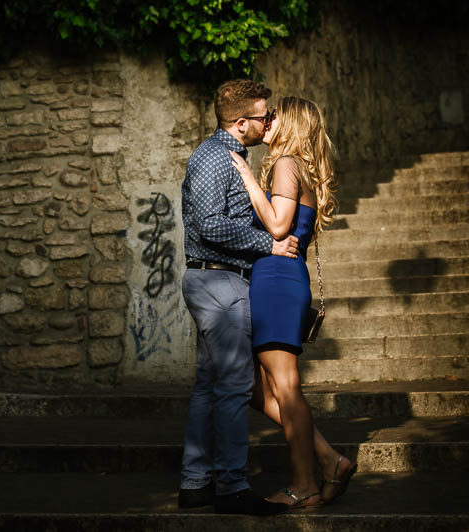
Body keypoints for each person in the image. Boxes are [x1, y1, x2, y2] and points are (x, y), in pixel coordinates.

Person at [229, 96, 357, 509]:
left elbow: (280, 225)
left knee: (285, 387)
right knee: (253, 386)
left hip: (278, 282)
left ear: (293, 123)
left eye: (274, 116)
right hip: (280, 280)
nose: (267, 121)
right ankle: (328, 458)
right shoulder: (298, 168)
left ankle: (304, 484)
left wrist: (249, 180)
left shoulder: (285, 166)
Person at [178, 79, 299, 516]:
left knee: (209, 385)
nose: (269, 123)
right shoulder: (216, 157)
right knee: (233, 387)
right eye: (264, 116)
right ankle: (231, 487)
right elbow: (209, 224)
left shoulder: (227, 157)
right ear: (242, 121)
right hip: (219, 283)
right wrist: (269, 244)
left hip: (216, 282)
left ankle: (195, 484)